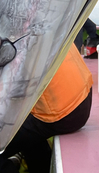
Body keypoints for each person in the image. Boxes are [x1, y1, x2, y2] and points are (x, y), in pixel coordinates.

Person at [0, 44, 93, 173]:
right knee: (26, 130)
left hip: (62, 112)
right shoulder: (35, 23)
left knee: (18, 127)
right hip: (84, 93)